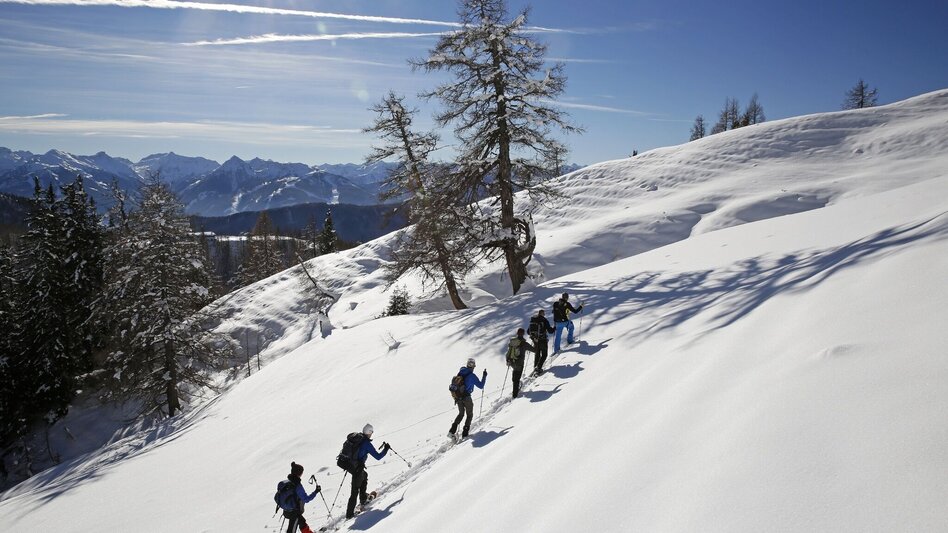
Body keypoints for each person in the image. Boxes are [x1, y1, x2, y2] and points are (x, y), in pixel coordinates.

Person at [346, 424, 389, 519]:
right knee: (354, 490)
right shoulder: (366, 443)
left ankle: (363, 498)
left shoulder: (357, 438)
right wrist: (386, 449)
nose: (372, 434)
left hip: (352, 465)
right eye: (371, 432)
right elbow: (378, 457)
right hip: (356, 468)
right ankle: (349, 515)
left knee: (364, 475)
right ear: (369, 432)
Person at [449, 358, 487, 438]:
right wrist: (484, 376)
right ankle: (465, 434)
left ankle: (452, 431)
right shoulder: (472, 376)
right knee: (469, 415)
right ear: (473, 366)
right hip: (467, 397)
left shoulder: (461, 372)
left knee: (461, 414)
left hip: (458, 397)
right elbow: (481, 386)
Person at [283, 462, 321, 533]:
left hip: (286, 510)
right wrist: (316, 492)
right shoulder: (297, 485)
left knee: (302, 522)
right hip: (294, 513)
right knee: (291, 530)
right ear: (299, 473)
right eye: (301, 472)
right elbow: (306, 499)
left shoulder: (288, 482)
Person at [506, 328, 535, 398]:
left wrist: (508, 360)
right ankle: (515, 395)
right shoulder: (524, 343)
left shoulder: (513, 341)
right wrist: (534, 341)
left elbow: (509, 351)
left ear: (517, 333)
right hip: (519, 363)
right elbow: (534, 350)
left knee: (515, 376)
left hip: (512, 362)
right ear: (523, 334)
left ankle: (515, 389)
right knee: (517, 378)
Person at [528, 309, 556, 375]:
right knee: (544, 354)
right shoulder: (544, 320)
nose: (544, 314)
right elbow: (550, 331)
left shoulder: (533, 320)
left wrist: (534, 336)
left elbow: (528, 332)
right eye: (544, 313)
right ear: (542, 314)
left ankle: (535, 367)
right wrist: (554, 328)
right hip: (543, 340)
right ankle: (538, 368)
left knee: (537, 354)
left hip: (535, 340)